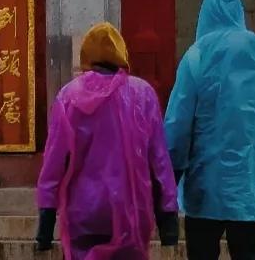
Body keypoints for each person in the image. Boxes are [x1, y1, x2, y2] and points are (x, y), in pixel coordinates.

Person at [164, 0, 255, 260]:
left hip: (204, 188)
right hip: (249, 186)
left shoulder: (196, 56)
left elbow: (177, 124)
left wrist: (171, 174)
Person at [35, 21, 178, 260]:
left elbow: (54, 163)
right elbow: (159, 162)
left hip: (84, 214)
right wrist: (168, 222)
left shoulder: (69, 96)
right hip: (130, 211)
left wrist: (45, 226)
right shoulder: (142, 95)